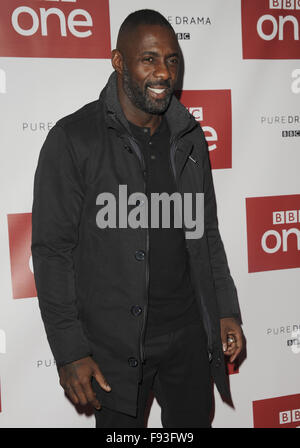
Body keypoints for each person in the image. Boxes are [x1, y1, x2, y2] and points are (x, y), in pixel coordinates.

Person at [31, 9, 243, 428]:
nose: (163, 72)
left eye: (171, 59)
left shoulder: (189, 136)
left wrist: (223, 308)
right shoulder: (74, 138)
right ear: (119, 61)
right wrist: (71, 351)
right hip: (114, 346)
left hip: (187, 336)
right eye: (148, 59)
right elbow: (52, 253)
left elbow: (206, 233)